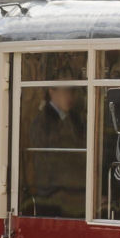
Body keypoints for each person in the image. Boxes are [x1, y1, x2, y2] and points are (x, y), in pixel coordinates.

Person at [26, 86, 86, 217]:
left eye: (72, 91)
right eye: (65, 90)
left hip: (75, 193)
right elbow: (46, 159)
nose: (70, 96)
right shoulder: (42, 122)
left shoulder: (75, 118)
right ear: (52, 92)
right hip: (52, 194)